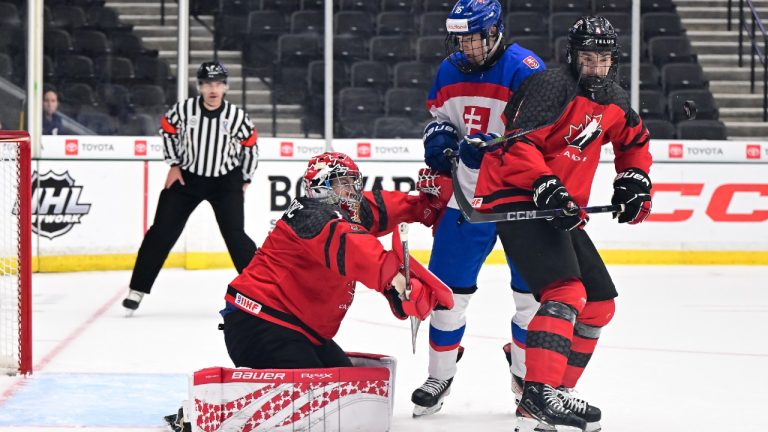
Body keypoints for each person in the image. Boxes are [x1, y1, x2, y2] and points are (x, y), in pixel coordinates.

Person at [472, 16, 652, 432]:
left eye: (603, 58)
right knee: (566, 291)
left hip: (561, 210)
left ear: (614, 60)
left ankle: (552, 392)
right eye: (587, 57)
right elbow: (517, 145)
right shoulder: (552, 86)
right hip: (517, 199)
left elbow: (635, 142)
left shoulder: (614, 99)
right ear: (572, 57)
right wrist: (545, 184)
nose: (595, 66)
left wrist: (634, 180)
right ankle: (538, 392)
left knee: (599, 304)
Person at [412, 0, 547, 417]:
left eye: (474, 37)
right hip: (466, 200)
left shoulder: (526, 68)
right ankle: (440, 375)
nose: (467, 46)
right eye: (461, 38)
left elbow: (545, 133)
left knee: (532, 299)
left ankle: (526, 375)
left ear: (495, 32)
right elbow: (442, 118)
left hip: (521, 202)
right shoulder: (448, 69)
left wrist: (495, 147)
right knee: (446, 296)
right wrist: (439, 137)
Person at [220, 152, 454, 369]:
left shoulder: (346, 211)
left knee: (346, 387)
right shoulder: (310, 215)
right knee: (318, 398)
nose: (352, 191)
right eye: (343, 184)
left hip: (299, 328)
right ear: (321, 187)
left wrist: (424, 207)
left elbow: (381, 207)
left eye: (353, 183)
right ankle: (201, 411)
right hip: (259, 322)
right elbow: (353, 246)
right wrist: (395, 281)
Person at [123, 61, 259, 313]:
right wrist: (173, 163)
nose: (213, 89)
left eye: (218, 83)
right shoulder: (184, 110)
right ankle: (137, 290)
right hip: (187, 177)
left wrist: (245, 179)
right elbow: (168, 129)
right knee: (161, 231)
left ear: (226, 87)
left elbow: (251, 145)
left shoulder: (236, 116)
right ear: (200, 86)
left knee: (236, 237)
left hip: (225, 180)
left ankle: (264, 291)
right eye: (208, 83)